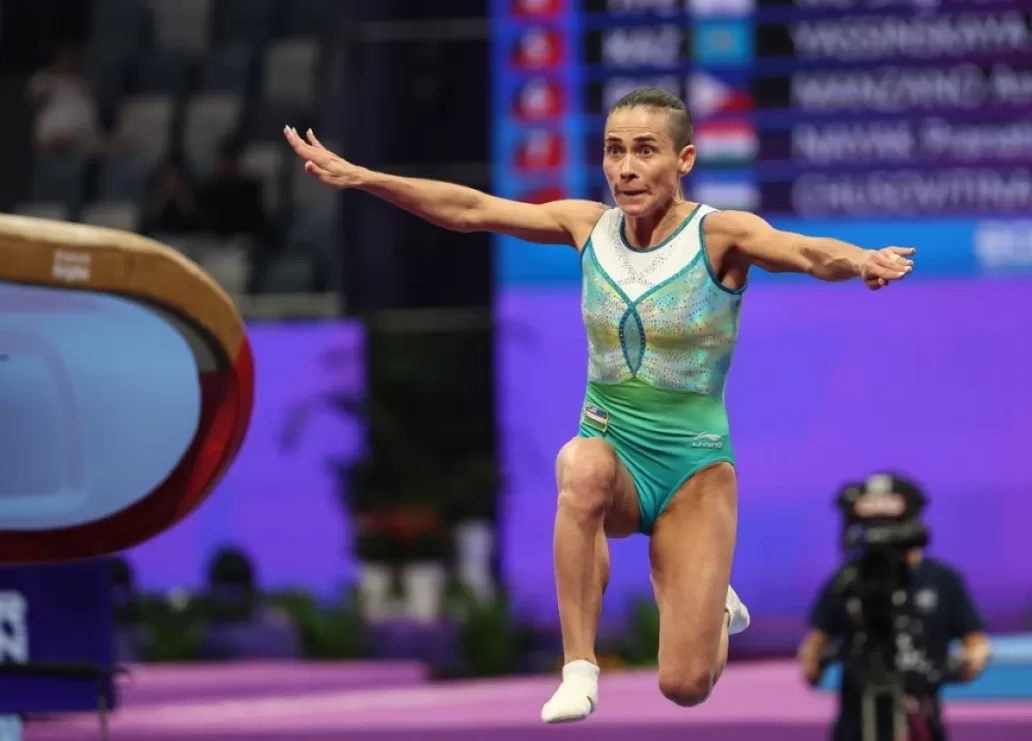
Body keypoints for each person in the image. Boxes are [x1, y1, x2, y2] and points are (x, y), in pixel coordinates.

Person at [283, 88, 915, 723]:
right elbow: (471, 209)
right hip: (612, 458)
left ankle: (715, 606)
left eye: (645, 151)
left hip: (693, 472)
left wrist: (861, 259)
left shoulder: (720, 235)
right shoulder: (587, 225)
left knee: (686, 685)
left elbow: (805, 252)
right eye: (614, 151)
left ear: (684, 159)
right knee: (580, 465)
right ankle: (579, 668)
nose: (626, 168)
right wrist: (365, 178)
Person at [798, 475, 991, 741]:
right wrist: (814, 662)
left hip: (919, 721)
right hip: (856, 724)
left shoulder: (941, 580)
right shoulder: (847, 580)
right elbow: (814, 645)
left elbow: (976, 643)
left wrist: (957, 667)